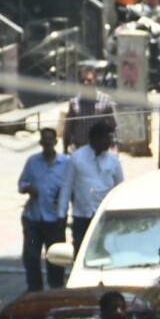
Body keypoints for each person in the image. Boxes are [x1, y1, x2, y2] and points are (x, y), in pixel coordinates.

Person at [18, 127, 73, 292]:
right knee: (31, 256)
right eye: (44, 139)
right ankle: (34, 289)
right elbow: (22, 183)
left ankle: (55, 289)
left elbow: (71, 188)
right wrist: (28, 188)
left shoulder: (66, 163)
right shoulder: (33, 161)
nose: (47, 142)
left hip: (54, 219)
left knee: (55, 258)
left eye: (51, 139)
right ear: (41, 142)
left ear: (55, 142)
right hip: (33, 217)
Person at [69, 122, 126, 252]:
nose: (109, 142)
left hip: (104, 216)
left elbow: (120, 187)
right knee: (80, 249)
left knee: (104, 250)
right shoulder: (77, 158)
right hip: (82, 215)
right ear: (95, 138)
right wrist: (61, 214)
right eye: (107, 138)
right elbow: (67, 186)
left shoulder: (113, 161)